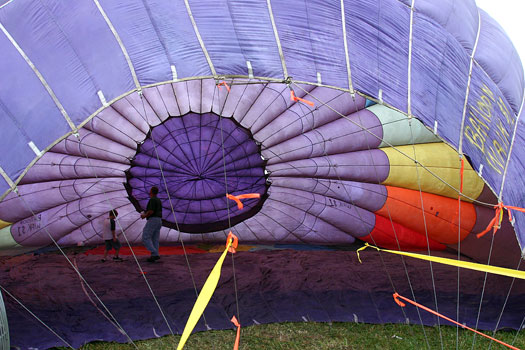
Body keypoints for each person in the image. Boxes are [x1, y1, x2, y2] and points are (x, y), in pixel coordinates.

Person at [141, 186, 162, 262]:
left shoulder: (152, 200)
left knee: (145, 237)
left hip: (153, 219)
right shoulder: (158, 200)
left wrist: (144, 215)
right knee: (155, 239)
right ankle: (154, 256)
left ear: (151, 192)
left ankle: (155, 253)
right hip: (159, 220)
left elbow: (151, 211)